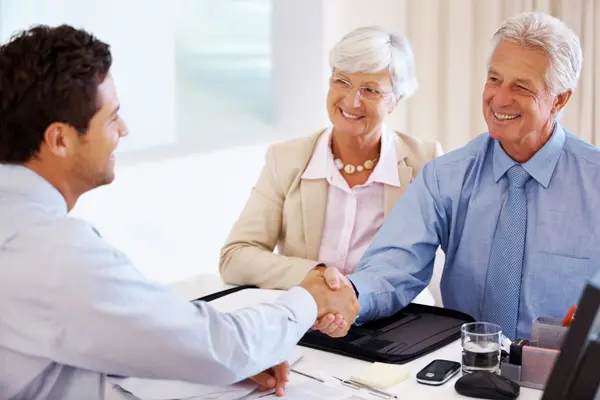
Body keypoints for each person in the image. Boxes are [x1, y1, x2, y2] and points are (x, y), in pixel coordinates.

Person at [0, 25, 359, 399]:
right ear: (60, 139)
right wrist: (308, 298)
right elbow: (221, 347)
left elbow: (100, 346)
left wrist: (222, 360)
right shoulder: (51, 252)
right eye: (111, 117)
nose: (123, 130)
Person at [315, 11, 600, 341]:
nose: (500, 98)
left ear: (560, 99)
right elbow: (393, 267)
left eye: (521, 86)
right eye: (494, 79)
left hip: (569, 378)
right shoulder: (445, 176)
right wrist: (351, 295)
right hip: (466, 370)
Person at [219, 26, 443, 290]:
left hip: (391, 319)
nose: (352, 101)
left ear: (395, 101)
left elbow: (455, 261)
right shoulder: (286, 160)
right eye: (342, 82)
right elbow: (235, 256)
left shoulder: (425, 163)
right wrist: (313, 276)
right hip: (307, 315)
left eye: (370, 90)